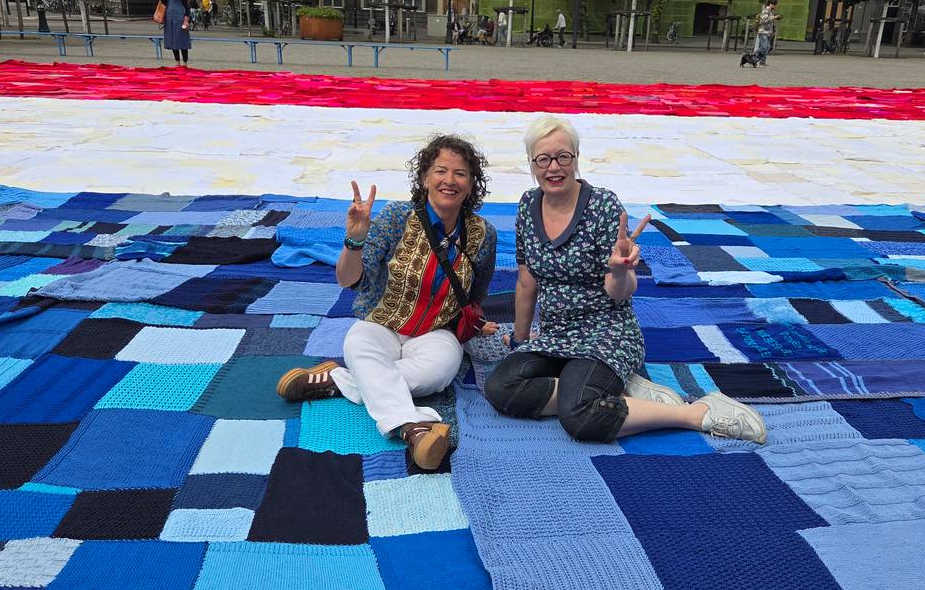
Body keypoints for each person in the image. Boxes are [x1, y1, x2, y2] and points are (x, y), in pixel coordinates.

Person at [483, 116, 767, 445]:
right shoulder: (527, 205)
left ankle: (698, 412)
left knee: (579, 416)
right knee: (499, 387)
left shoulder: (603, 206)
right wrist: (521, 342)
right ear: (531, 164)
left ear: (576, 157)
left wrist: (620, 270)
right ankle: (611, 391)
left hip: (606, 331)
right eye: (543, 159)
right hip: (556, 336)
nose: (554, 167)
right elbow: (526, 280)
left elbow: (620, 294)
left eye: (563, 156)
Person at [277, 136, 499, 470]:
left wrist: (477, 325)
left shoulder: (484, 234)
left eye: (461, 173)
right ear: (424, 178)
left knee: (439, 372)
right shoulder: (396, 217)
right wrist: (354, 240)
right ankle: (413, 429)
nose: (449, 180)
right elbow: (349, 280)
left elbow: (475, 293)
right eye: (441, 170)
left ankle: (341, 379)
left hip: (435, 333)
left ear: (471, 185)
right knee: (358, 344)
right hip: (380, 324)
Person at [159, 0, 192, 67]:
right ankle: (177, 62)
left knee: (182, 40)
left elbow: (186, 6)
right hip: (169, 19)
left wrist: (186, 19)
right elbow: (163, 1)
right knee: (173, 41)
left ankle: (185, 63)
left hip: (179, 19)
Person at [754, 0, 781, 66]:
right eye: (775, 5)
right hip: (763, 32)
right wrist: (774, 17)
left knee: (767, 47)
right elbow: (764, 21)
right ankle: (753, 55)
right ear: (771, 4)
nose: (776, 6)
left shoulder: (770, 12)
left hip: (768, 32)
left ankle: (762, 62)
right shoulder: (765, 11)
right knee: (764, 47)